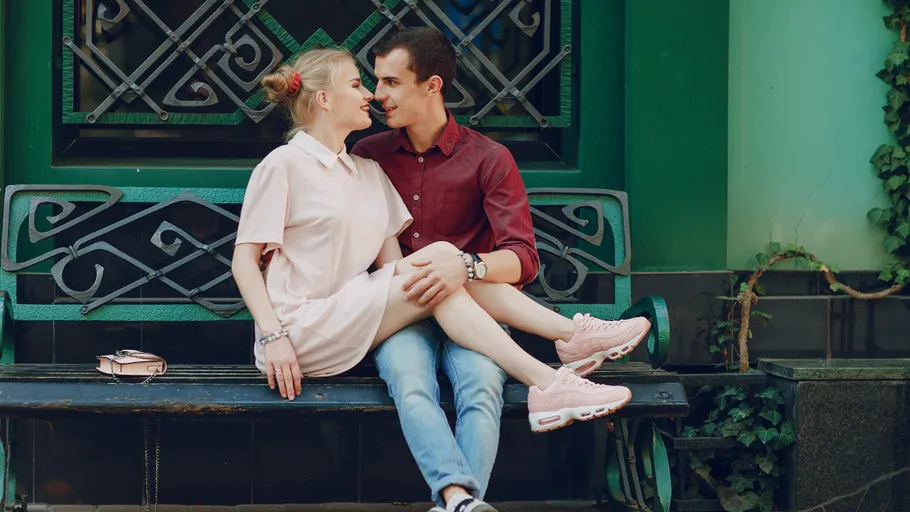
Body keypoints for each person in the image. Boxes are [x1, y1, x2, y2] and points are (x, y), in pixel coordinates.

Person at [231, 46, 650, 512]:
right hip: (301, 328)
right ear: (324, 99)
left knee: (441, 262)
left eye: (380, 83)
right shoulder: (283, 166)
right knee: (438, 276)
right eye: (358, 84)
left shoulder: (366, 170)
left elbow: (397, 268)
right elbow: (245, 261)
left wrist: (454, 267)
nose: (370, 94)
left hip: (360, 311)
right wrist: (273, 336)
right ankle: (555, 364)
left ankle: (460, 499)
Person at [349, 28, 651, 512]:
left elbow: (522, 259)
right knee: (409, 381)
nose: (378, 94)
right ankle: (463, 494)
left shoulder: (488, 158)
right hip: (399, 313)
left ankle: (459, 504)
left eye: (391, 82)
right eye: (376, 81)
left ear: (431, 86)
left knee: (483, 386)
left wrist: (465, 266)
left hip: (476, 315)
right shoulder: (369, 157)